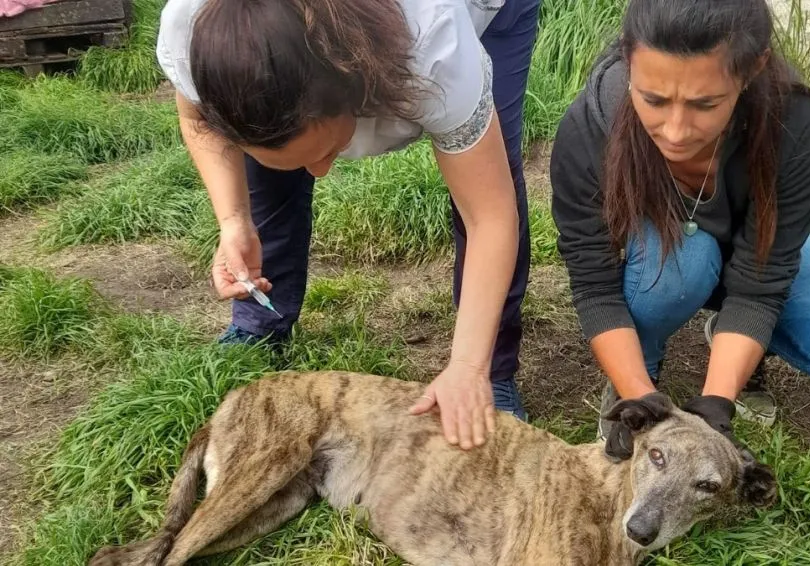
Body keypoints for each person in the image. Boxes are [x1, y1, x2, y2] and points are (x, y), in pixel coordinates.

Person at [155, 0, 542, 449]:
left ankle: (491, 370)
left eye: (326, 151)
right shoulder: (193, 29)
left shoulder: (434, 49)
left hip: (485, 12)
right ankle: (262, 323)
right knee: (274, 145)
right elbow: (196, 117)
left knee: (487, 178)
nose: (320, 173)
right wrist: (234, 220)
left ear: (356, 84)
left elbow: (490, 215)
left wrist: (469, 366)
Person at [549, 0, 810, 443]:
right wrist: (642, 403)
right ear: (628, 58)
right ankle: (643, 363)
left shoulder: (798, 124)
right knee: (680, 268)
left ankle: (734, 342)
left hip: (755, 248)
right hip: (671, 259)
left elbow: (763, 282)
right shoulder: (588, 129)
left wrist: (715, 405)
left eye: (705, 104)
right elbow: (594, 285)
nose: (675, 131)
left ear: (752, 70)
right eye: (653, 100)